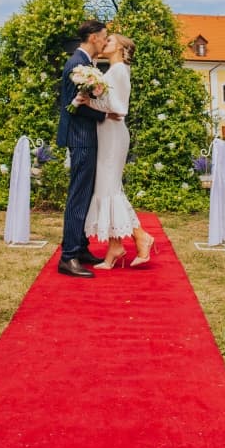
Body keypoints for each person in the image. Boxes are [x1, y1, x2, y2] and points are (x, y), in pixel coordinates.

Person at [83, 34, 156, 269]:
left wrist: (91, 103)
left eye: (110, 41)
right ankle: (115, 246)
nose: (105, 43)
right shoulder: (112, 71)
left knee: (110, 189)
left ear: (122, 49)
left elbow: (120, 108)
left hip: (113, 135)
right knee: (107, 189)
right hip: (106, 133)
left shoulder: (119, 71)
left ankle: (140, 237)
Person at [55, 20, 110, 278]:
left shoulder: (85, 64)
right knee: (78, 196)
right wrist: (104, 115)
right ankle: (68, 257)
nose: (104, 41)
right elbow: (72, 106)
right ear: (92, 37)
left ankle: (81, 247)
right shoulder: (76, 64)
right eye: (103, 37)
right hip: (81, 138)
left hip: (86, 137)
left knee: (85, 195)